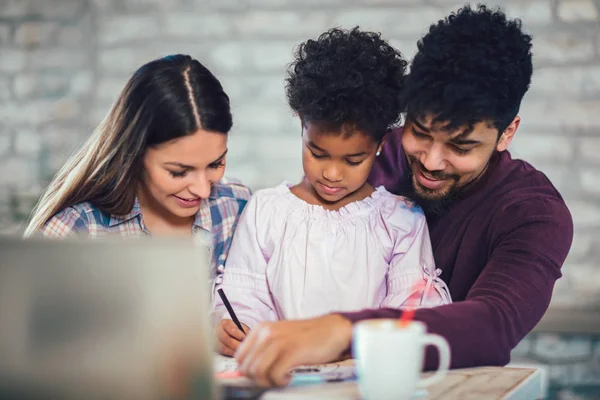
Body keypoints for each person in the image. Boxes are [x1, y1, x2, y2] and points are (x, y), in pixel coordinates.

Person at [231, 5, 574, 387]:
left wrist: (344, 330)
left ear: (507, 133)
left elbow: (493, 326)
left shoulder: (533, 213)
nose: (430, 161)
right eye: (421, 133)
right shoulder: (377, 151)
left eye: (460, 147)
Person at [213, 28, 451, 357]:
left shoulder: (399, 220)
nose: (332, 173)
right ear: (301, 124)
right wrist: (235, 329)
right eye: (318, 153)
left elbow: (410, 311)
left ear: (381, 145)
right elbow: (244, 297)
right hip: (283, 377)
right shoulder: (266, 211)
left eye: (354, 160)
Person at [24, 54, 251, 278]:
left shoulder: (239, 208)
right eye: (178, 172)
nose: (203, 190)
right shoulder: (76, 232)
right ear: (135, 154)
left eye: (215, 164)